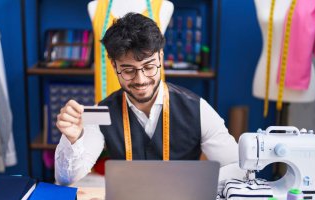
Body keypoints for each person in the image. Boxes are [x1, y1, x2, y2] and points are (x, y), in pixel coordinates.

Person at [55, 13, 244, 185]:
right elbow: (66, 179)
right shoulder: (102, 112)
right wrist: (73, 139)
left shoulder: (198, 109)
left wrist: (200, 183)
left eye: (149, 67)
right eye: (128, 70)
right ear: (114, 66)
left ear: (160, 57)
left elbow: (236, 168)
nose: (141, 80)